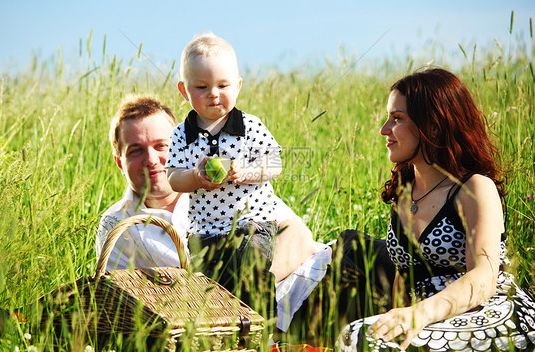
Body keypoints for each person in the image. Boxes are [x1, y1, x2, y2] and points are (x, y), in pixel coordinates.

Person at [96, 94, 395, 346]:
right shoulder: (119, 225)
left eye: (161, 146)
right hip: (234, 330)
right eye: (135, 150)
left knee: (388, 263)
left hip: (315, 277)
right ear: (119, 161)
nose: (151, 159)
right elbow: (121, 310)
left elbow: (297, 235)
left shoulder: (228, 184)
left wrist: (238, 292)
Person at [337, 68, 535, 351]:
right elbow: (400, 278)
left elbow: (483, 277)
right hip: (426, 320)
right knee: (360, 335)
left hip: (486, 312)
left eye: (397, 119)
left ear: (432, 126)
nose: (384, 130)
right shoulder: (404, 192)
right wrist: (394, 318)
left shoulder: (473, 188)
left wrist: (421, 314)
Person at [165, 33, 310, 312]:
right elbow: (173, 178)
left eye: (223, 84)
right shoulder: (181, 135)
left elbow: (275, 164)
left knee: (253, 266)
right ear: (184, 91)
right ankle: (221, 335)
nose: (213, 93)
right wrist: (195, 177)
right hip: (204, 231)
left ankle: (260, 326)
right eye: (201, 87)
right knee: (210, 291)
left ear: (238, 86)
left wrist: (247, 171)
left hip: (251, 223)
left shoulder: (250, 126)